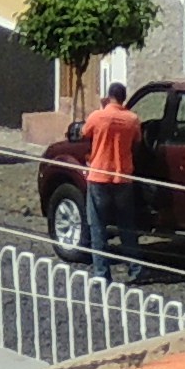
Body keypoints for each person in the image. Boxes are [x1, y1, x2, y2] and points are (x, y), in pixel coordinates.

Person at [77, 66, 144, 277]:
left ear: (108, 97)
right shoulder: (132, 120)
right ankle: (135, 269)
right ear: (123, 99)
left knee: (97, 226)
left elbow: (83, 134)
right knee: (127, 226)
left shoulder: (97, 116)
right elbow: (138, 142)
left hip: (98, 176)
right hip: (123, 177)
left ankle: (102, 272)